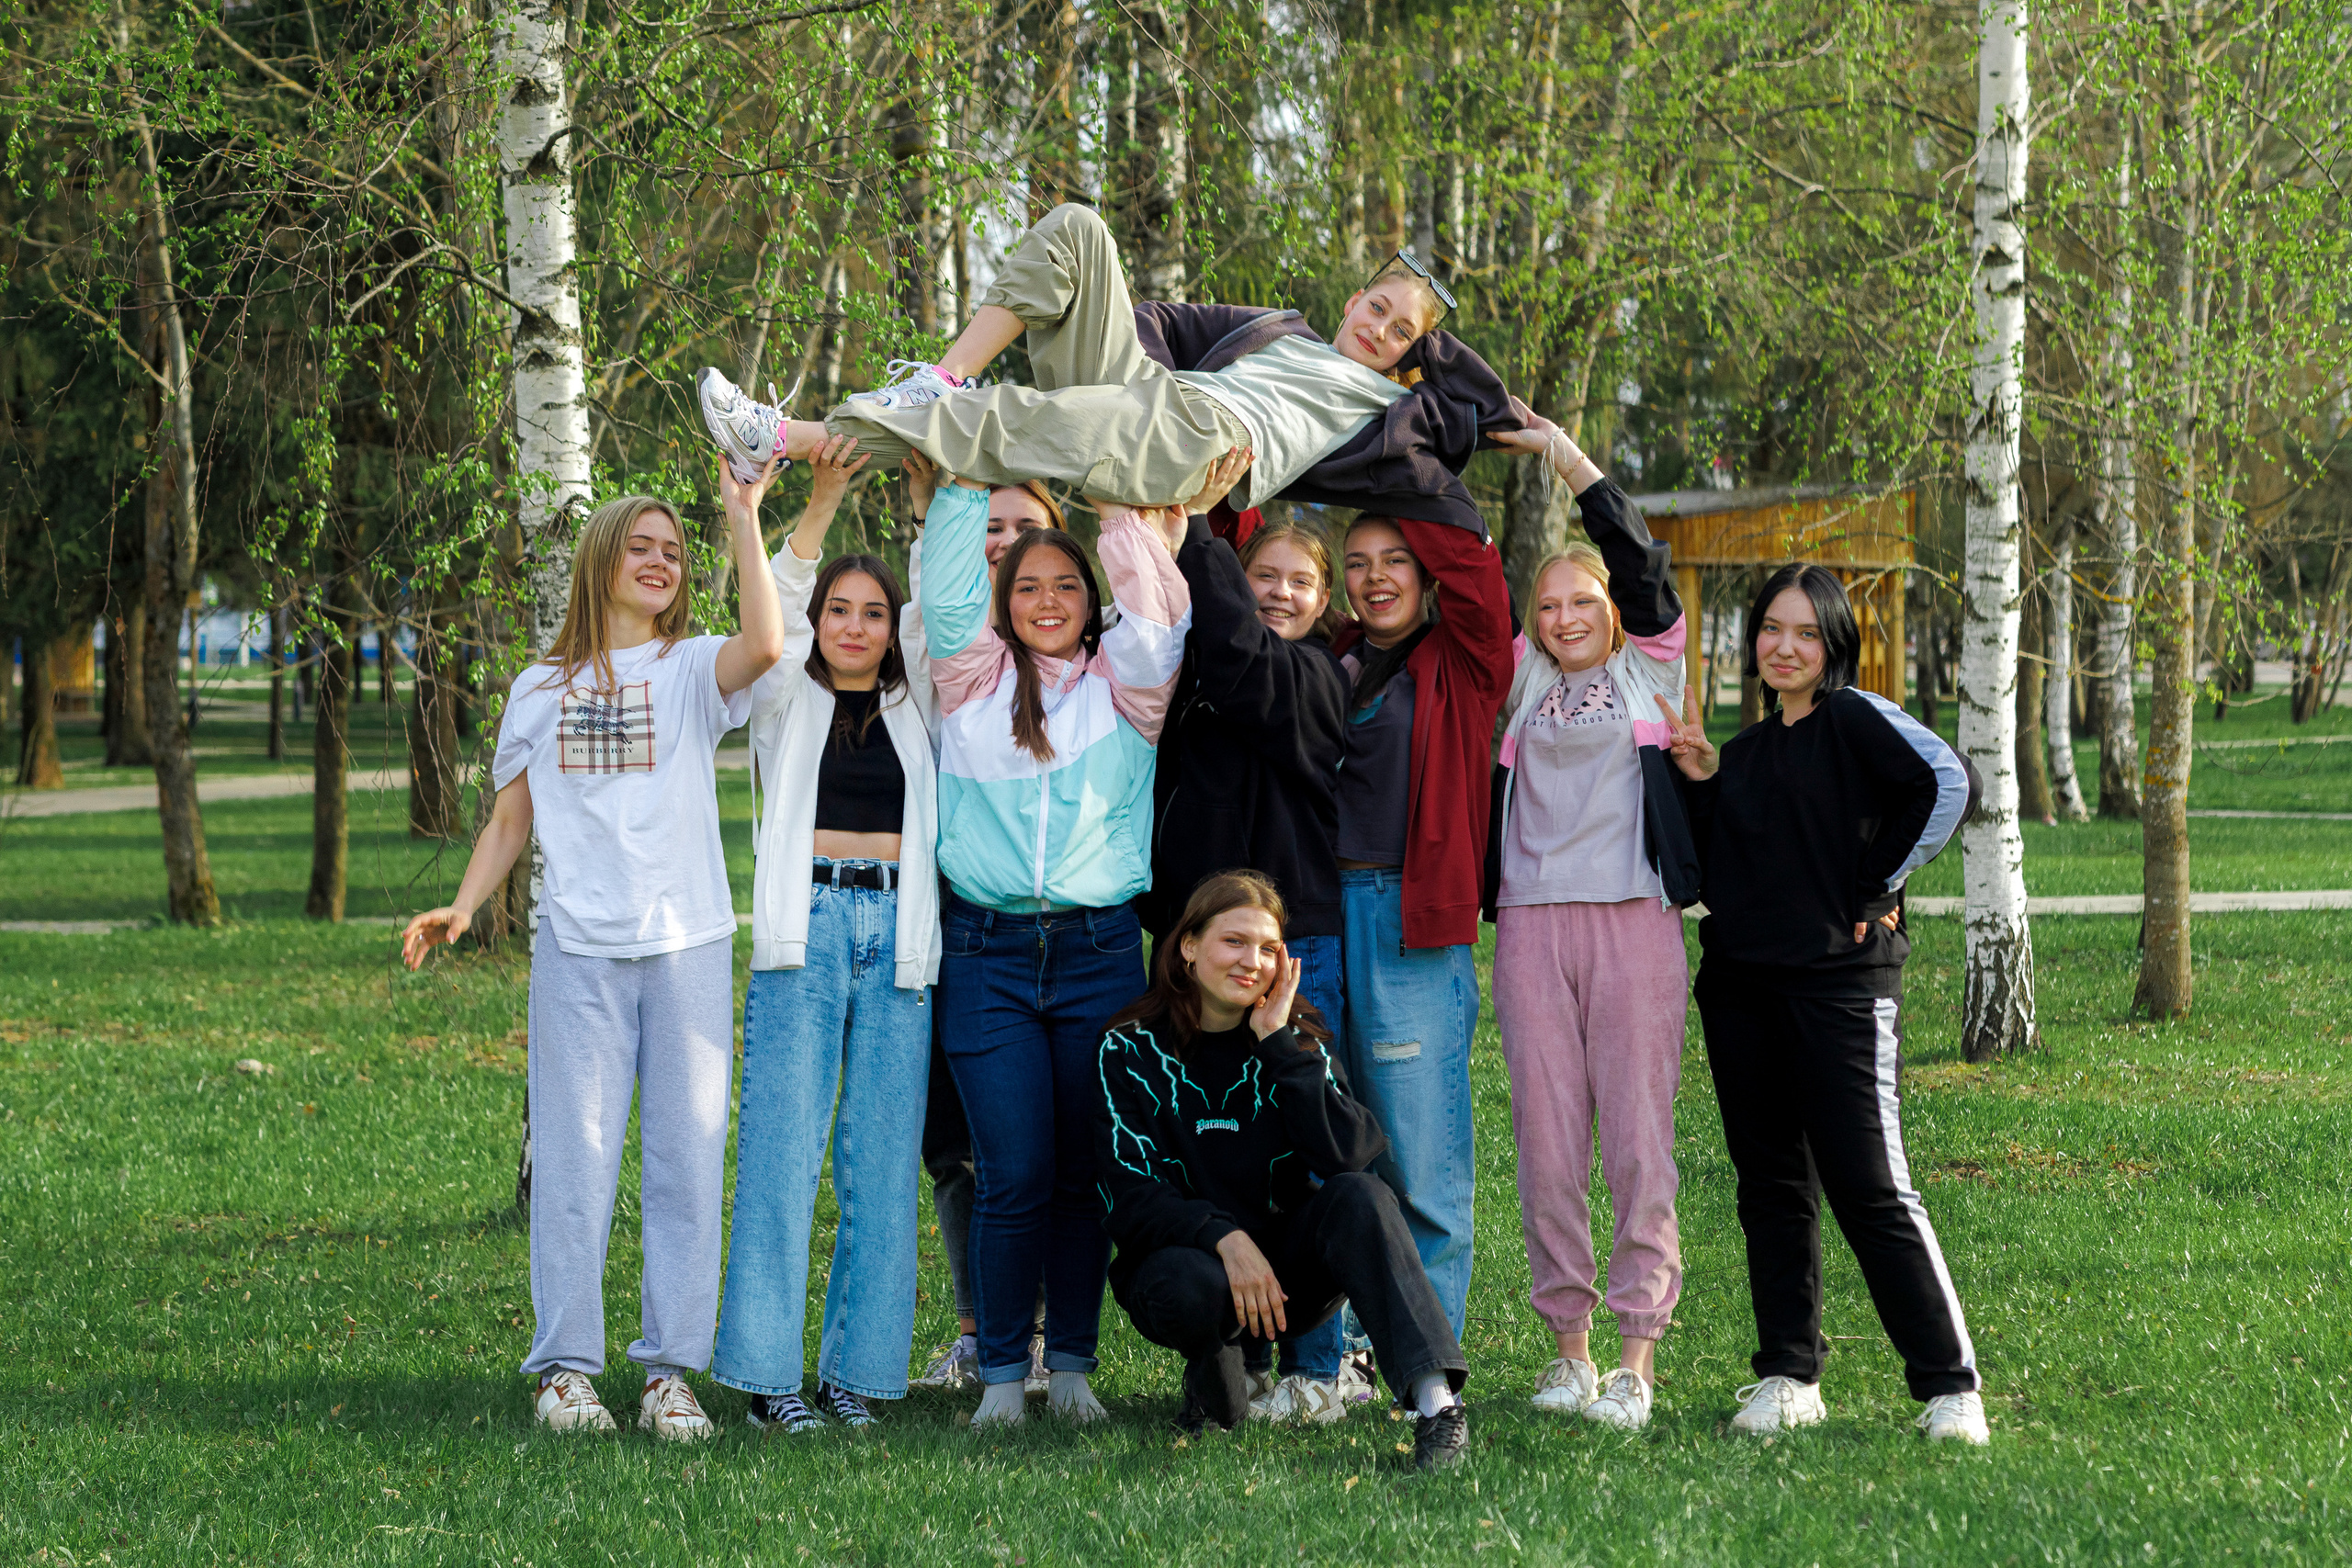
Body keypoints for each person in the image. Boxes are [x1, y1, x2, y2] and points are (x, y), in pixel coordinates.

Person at [397, 462, 786, 1441]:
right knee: (575, 1164)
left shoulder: (695, 667)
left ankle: (669, 1376)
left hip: (687, 944)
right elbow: (508, 820)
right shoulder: (538, 688)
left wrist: (742, 512)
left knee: (687, 1165)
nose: (659, 562)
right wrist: (460, 905)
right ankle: (564, 1370)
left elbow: (769, 642)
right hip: (576, 952)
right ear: (600, 562)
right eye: (640, 547)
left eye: (672, 552)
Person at [1656, 562, 1990, 1445]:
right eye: (1772, 628)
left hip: (1840, 989)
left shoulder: (1853, 718)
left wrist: (1877, 878)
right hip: (1741, 989)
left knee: (1871, 1187)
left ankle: (1951, 1386)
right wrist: (1700, 783)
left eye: (1806, 631)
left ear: (1834, 641)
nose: (1786, 646)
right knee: (1771, 1187)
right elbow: (1720, 871)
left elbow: (1951, 784)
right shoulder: (1751, 750)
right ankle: (1789, 1375)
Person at [692, 201, 1520, 524]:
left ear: (1415, 354)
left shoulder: (1388, 408)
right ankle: (940, 376)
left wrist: (1430, 331)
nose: (1382, 329)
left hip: (1205, 440)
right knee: (1079, 231)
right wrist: (1137, 378)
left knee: (1009, 422)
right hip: (1160, 396)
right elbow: (1159, 318)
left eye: (1403, 332)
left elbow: (1479, 396)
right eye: (1379, 306)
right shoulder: (1285, 329)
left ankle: (782, 440)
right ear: (1353, 301)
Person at [918, 459, 1193, 1428]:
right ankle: (1001, 1373)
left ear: (1092, 601)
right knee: (1012, 1173)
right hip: (987, 956)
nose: (1045, 600)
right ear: (1002, 599)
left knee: (1082, 1169)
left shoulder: (1130, 692)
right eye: (1026, 585)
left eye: (1066, 585)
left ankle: (1069, 1366)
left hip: (1097, 955)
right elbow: (945, 588)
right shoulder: (965, 681)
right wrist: (955, 488)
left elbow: (1160, 606)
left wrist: (1116, 496)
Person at [708, 436, 944, 1432]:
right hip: (804, 932)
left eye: (873, 613)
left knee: (881, 1164)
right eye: (838, 611)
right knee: (780, 1155)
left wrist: (935, 505)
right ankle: (768, 1379)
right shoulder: (782, 696)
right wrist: (806, 506)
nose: (855, 626)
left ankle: (857, 1376)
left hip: (898, 936)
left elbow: (945, 618)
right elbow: (774, 602)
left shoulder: (918, 699)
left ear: (893, 630)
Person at [1094, 871, 1471, 1471]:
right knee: (1198, 1301)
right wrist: (1223, 1237)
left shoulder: (1295, 1038)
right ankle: (1217, 1379)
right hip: (1181, 1270)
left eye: (1268, 948)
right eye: (1234, 941)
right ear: (1188, 945)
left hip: (1283, 1279)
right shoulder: (1129, 1047)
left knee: (1362, 1199)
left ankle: (1437, 1407)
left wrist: (1278, 1048)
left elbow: (1354, 1158)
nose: (1253, 961)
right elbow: (1126, 1194)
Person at [1483, 412, 1702, 1431]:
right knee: (1548, 1145)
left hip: (1634, 925)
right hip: (1531, 927)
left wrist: (1566, 459)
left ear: (1613, 612)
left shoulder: (1649, 671)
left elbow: (1641, 556)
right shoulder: (1524, 680)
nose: (1567, 617)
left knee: (1637, 1143)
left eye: (1584, 601)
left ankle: (1635, 1359)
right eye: (1550, 605)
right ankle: (1567, 1352)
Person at [1143, 457, 1359, 1424]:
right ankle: (1251, 1352)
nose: (1277, 592)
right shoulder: (1207, 677)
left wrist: (1195, 526)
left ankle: (1324, 1363)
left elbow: (1234, 646)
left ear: (1324, 603)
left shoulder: (1311, 680)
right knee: (1226, 1154)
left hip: (1292, 950)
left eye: (1298, 582)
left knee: (1308, 1148)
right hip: (1198, 959)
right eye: (1262, 573)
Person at [1325, 502, 1513, 1351]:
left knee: (1420, 1155)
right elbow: (1246, 563)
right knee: (1338, 1138)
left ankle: (1423, 1350)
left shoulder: (1464, 662)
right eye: (1358, 561)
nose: (1375, 578)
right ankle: (1340, 1345)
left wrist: (1394, 464)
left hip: (1410, 922)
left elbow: (1479, 576)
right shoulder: (1332, 656)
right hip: (1322, 915)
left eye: (1395, 559)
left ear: (1426, 571)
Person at [907, 468, 1065, 1395]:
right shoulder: (939, 633)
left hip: (1037, 917)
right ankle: (977, 1331)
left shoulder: (1078, 646)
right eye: (990, 525)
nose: (1003, 540)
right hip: (934, 909)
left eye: (1024, 526)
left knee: (1034, 1136)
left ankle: (1040, 1334)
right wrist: (939, 523)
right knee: (952, 1138)